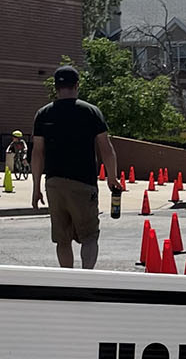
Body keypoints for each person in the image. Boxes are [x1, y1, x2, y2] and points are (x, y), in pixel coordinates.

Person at [32, 65, 121, 269]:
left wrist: (36, 187)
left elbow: (37, 153)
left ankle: (67, 280)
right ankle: (86, 278)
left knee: (62, 238)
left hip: (54, 183)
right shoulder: (90, 111)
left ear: (55, 87)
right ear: (77, 85)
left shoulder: (43, 114)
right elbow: (106, 148)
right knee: (89, 236)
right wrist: (112, 177)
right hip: (83, 182)